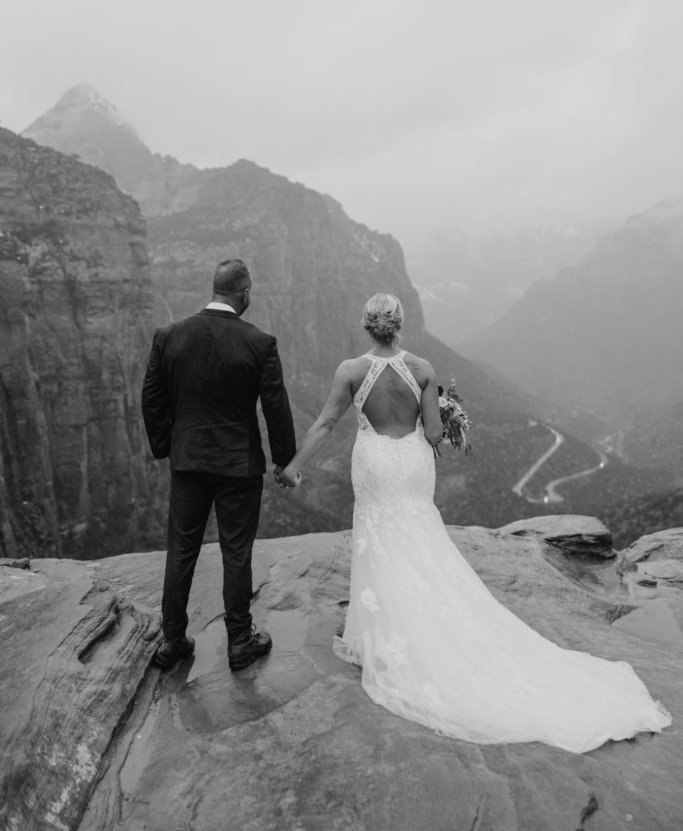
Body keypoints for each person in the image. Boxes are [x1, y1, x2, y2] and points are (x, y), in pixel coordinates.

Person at [278, 292, 672, 752]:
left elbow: (326, 423)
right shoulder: (423, 369)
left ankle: (381, 629)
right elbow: (430, 434)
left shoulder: (349, 371)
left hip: (374, 463)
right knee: (418, 531)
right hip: (410, 464)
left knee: (379, 537)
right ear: (400, 325)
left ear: (367, 327)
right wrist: (447, 415)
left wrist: (294, 467)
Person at [142, 258, 297, 671]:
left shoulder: (169, 336)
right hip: (238, 465)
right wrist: (284, 461)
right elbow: (276, 408)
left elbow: (152, 399)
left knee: (181, 552)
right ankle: (240, 641)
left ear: (214, 289)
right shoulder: (259, 343)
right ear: (243, 293)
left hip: (188, 462)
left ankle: (173, 640)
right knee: (236, 552)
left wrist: (166, 448)